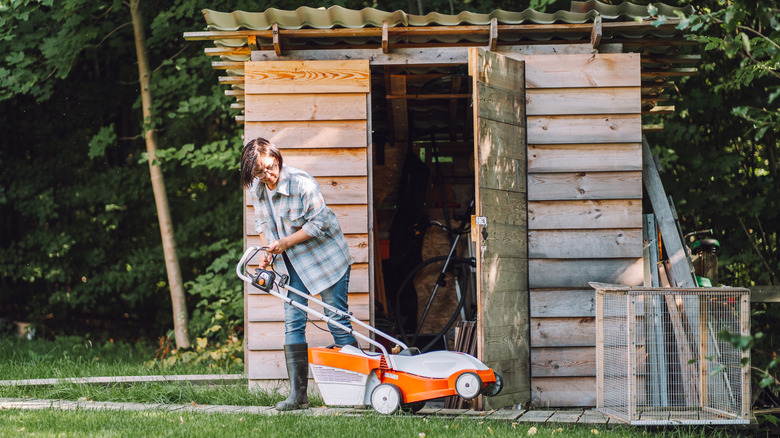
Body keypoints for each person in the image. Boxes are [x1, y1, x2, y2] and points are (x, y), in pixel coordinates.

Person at [240, 138, 357, 411]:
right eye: (259, 172)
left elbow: (319, 224)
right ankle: (298, 396)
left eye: (270, 167)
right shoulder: (257, 188)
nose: (267, 175)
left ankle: (355, 393)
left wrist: (285, 243)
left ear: (277, 159)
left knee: (336, 318)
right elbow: (262, 222)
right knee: (293, 322)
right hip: (289, 261)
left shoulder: (302, 182)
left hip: (325, 256)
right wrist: (269, 250)